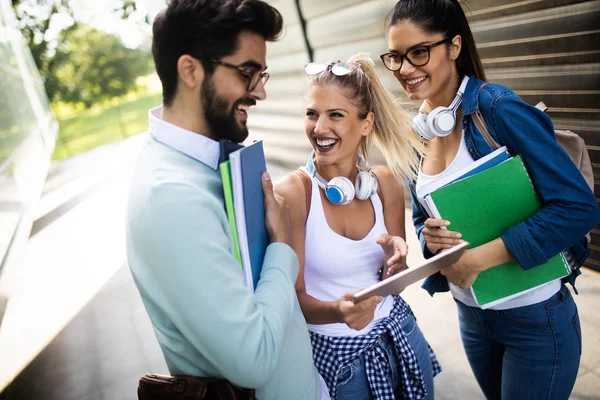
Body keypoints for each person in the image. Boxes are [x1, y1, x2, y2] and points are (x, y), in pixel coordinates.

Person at [381, 1, 600, 399]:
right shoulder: (419, 132)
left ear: (454, 46)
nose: (404, 70)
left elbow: (578, 208)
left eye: (418, 52)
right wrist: (431, 238)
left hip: (536, 319)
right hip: (473, 318)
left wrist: (475, 261)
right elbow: (421, 221)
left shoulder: (498, 110)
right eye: (395, 57)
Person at [125, 1, 329, 399]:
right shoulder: (171, 198)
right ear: (190, 70)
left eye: (261, 74)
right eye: (248, 72)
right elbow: (254, 359)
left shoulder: (211, 156)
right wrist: (282, 245)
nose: (262, 91)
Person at [275, 55, 440, 400]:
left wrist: (397, 267)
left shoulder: (385, 185)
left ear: (366, 123)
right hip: (338, 364)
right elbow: (290, 300)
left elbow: (393, 288)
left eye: (335, 114)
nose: (319, 128)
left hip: (402, 339)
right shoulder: (295, 193)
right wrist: (338, 310)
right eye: (312, 114)